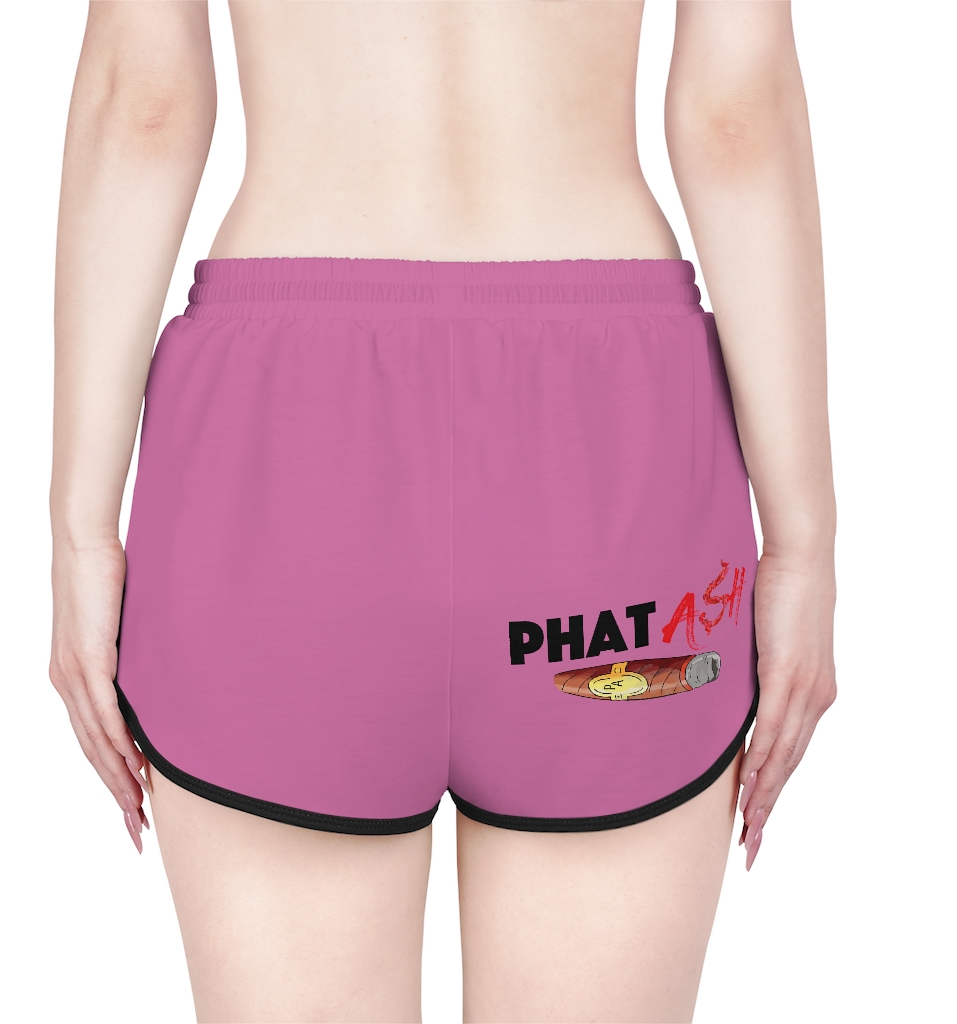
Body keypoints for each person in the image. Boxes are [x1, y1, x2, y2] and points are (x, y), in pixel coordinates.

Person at [49, 2, 837, 1021]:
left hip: (287, 454)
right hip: (606, 458)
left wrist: (81, 532)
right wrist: (802, 543)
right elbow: (735, 113)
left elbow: (143, 101)